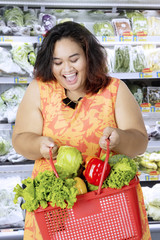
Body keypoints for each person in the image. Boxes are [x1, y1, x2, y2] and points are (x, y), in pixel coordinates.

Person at [12, 21, 151, 240]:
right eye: (57, 62)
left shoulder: (114, 90)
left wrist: (120, 138)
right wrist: (38, 144)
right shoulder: (39, 90)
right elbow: (20, 139)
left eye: (74, 59)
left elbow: (140, 141)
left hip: (109, 208)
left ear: (89, 57)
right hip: (56, 212)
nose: (66, 69)